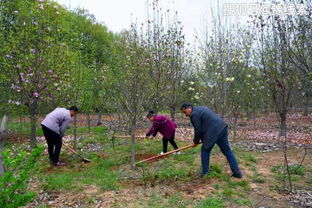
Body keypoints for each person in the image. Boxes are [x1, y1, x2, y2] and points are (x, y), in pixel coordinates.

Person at [180, 103, 242, 178]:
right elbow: (204, 126)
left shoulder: (194, 114)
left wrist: (195, 142)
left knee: (205, 150)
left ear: (188, 108)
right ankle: (237, 173)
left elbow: (198, 130)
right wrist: (202, 139)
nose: (185, 115)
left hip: (214, 131)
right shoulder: (200, 108)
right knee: (227, 150)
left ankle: (205, 173)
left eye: (185, 112)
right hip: (222, 127)